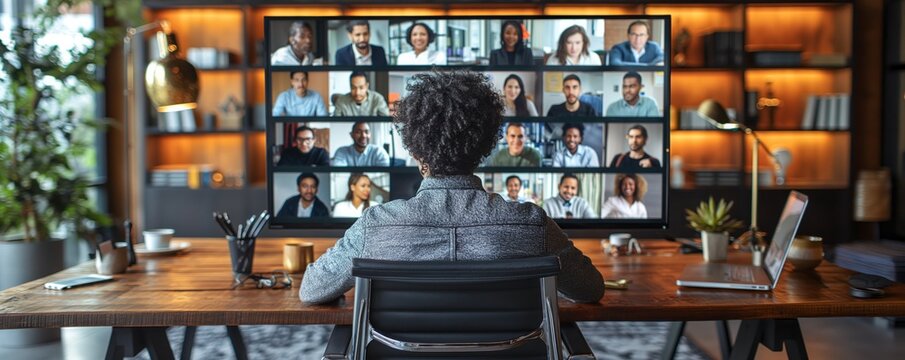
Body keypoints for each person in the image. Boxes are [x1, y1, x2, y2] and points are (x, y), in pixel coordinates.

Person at [300, 70, 604, 304]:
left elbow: (312, 289)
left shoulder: (375, 226)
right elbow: (591, 288)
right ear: (483, 147)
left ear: (416, 151)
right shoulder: (532, 223)